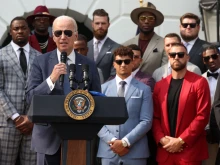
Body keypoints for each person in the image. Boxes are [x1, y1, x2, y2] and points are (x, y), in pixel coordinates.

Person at [26, 15, 101, 165]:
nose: (62, 37)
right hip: (47, 138)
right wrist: (51, 79)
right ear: (53, 36)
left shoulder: (89, 64)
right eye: (58, 33)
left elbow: (98, 99)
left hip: (78, 137)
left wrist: (87, 99)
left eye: (67, 33)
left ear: (75, 35)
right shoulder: (40, 62)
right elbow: (30, 97)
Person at [152, 43, 211, 165]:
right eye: (173, 54)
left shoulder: (199, 82)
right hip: (165, 150)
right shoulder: (160, 85)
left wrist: (181, 140)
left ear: (187, 57)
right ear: (168, 57)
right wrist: (162, 139)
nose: (176, 57)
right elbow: (155, 117)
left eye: (180, 54)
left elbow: (202, 115)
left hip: (189, 151)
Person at [97, 46, 153, 165]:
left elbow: (146, 121)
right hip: (108, 151)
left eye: (127, 61)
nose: (123, 64)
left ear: (132, 63)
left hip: (135, 151)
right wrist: (112, 141)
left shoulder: (144, 89)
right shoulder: (103, 89)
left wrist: (125, 142)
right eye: (119, 61)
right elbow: (98, 121)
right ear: (114, 64)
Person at [0, 16, 40, 165]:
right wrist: (16, 117)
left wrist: (31, 118)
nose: (20, 31)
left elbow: (41, 91)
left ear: (29, 31)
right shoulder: (1, 55)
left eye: (23, 28)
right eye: (16, 28)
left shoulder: (39, 57)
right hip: (7, 123)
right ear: (11, 32)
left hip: (32, 125)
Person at [124, 2, 167, 75]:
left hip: (154, 85)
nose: (146, 21)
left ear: (155, 22)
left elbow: (164, 72)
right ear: (137, 21)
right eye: (142, 18)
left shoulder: (164, 44)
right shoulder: (126, 45)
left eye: (150, 18)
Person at [87, 9, 120, 82]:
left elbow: (115, 75)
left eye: (103, 23)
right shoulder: (84, 47)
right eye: (97, 23)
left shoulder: (117, 48)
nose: (100, 26)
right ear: (92, 24)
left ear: (108, 24)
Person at [202, 45, 220, 165]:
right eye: (207, 58)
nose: (211, 60)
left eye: (214, 56)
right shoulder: (200, 79)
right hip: (207, 129)